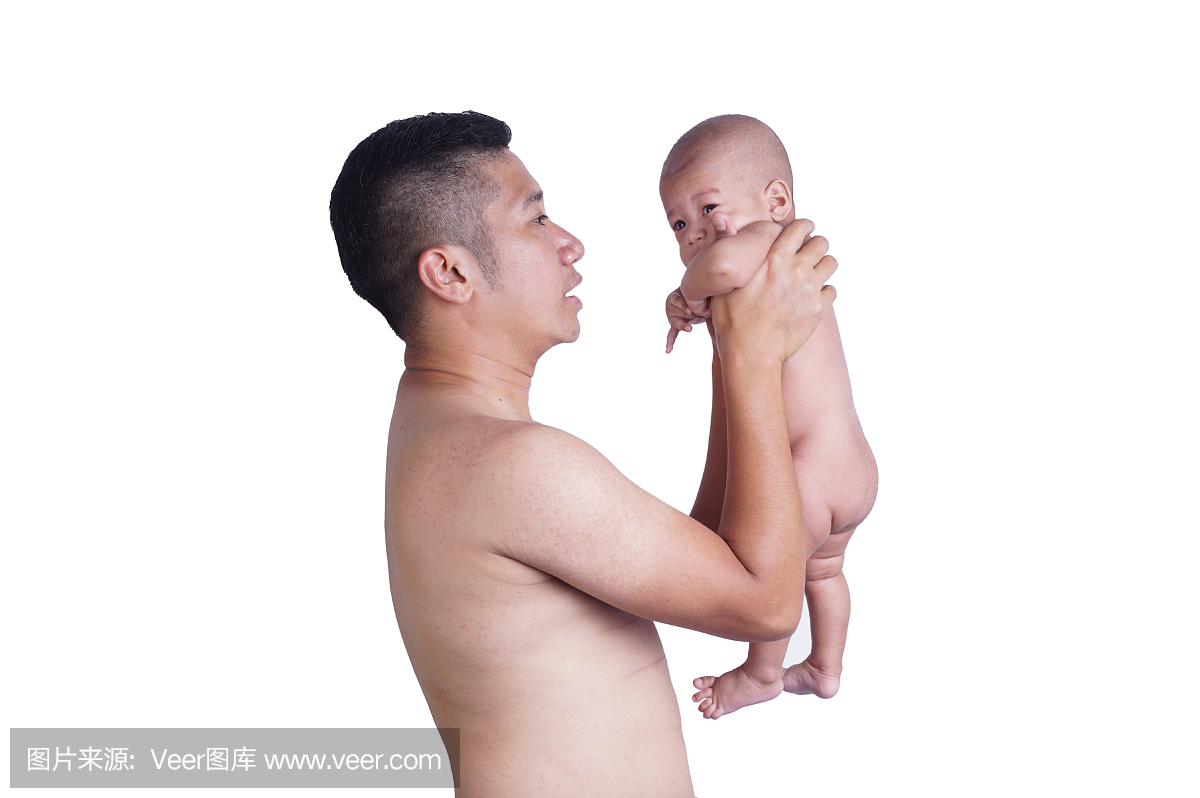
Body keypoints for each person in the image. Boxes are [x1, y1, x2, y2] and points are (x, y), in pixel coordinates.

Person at [329, 111, 837, 797]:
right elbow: (765, 603)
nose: (571, 244)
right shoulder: (512, 464)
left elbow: (719, 556)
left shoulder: (441, 437)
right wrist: (753, 358)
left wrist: (736, 338)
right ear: (449, 272)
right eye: (536, 220)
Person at [660, 114, 878, 719]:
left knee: (776, 580)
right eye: (678, 224)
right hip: (850, 467)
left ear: (776, 202)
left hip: (807, 474)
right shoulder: (779, 275)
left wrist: (685, 294)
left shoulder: (767, 243)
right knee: (824, 573)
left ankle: (761, 673)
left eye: (708, 208)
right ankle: (825, 668)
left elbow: (724, 268)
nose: (695, 233)